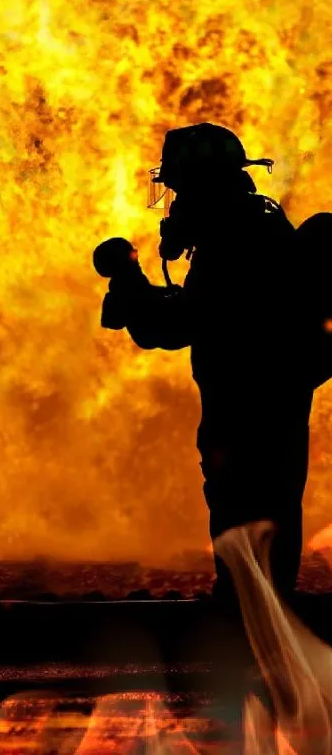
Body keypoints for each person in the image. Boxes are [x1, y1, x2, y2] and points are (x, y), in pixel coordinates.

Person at [94, 123, 331, 603]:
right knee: (271, 497)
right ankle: (263, 608)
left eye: (179, 188)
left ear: (203, 184)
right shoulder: (253, 225)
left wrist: (131, 286)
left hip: (246, 397)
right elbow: (213, 309)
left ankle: (244, 613)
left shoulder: (234, 236)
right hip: (272, 390)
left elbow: (185, 323)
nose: (173, 202)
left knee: (241, 495)